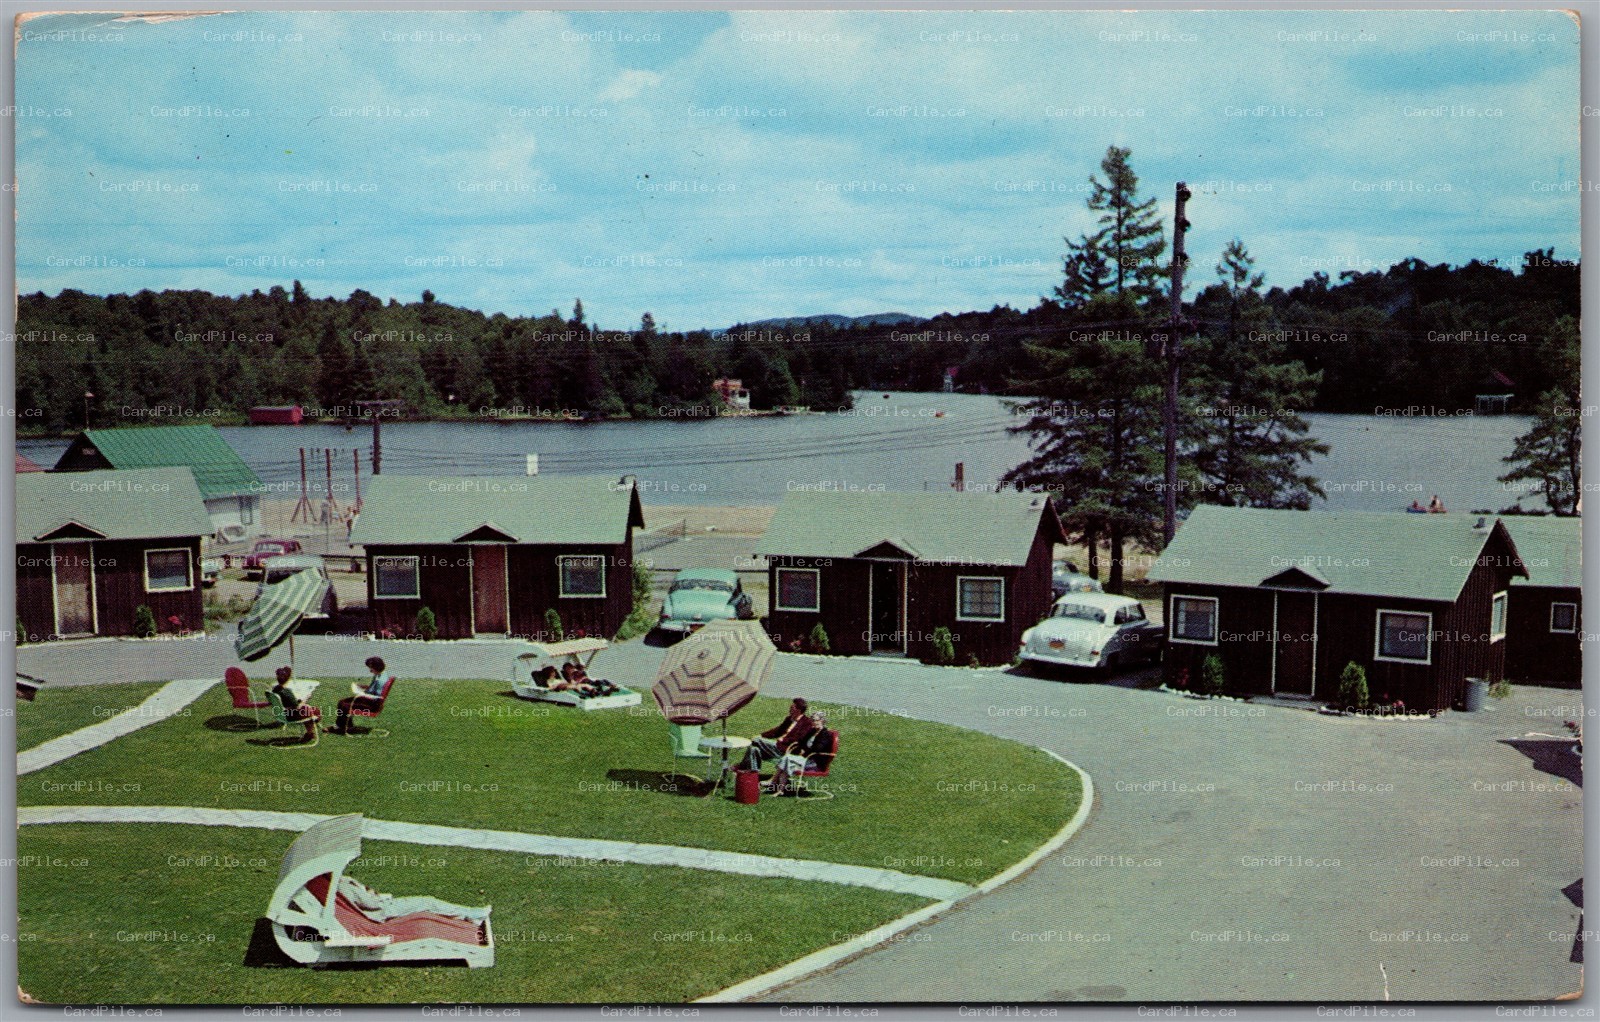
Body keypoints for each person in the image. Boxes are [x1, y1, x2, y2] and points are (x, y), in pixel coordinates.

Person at [740, 697, 815, 771]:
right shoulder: (789, 719)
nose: (790, 709)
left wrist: (783, 740)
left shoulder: (806, 723)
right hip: (778, 746)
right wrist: (761, 735)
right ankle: (753, 774)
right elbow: (776, 731)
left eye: (792, 707)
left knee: (756, 740)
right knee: (753, 749)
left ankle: (741, 766)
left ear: (798, 710)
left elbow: (799, 739)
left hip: (788, 749)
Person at [769, 713, 833, 795]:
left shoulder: (825, 734)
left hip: (815, 762)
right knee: (788, 762)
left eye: (816, 720)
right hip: (806, 758)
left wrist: (805, 751)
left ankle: (773, 781)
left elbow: (817, 748)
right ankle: (780, 790)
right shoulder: (813, 731)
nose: (814, 722)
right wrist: (802, 748)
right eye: (812, 720)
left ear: (822, 721)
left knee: (787, 759)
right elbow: (801, 741)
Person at [333, 656, 392, 734]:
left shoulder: (381, 680)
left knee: (345, 705)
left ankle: (342, 728)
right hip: (369, 700)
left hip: (372, 704)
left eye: (371, 668)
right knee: (342, 701)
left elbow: (377, 697)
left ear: (376, 667)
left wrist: (362, 694)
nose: (370, 671)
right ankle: (344, 726)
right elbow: (374, 689)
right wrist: (363, 687)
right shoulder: (380, 675)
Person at [273, 665, 321, 742]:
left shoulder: (275, 689)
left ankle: (309, 734)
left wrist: (298, 701)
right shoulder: (287, 691)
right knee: (315, 711)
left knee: (308, 710)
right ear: (288, 678)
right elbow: (297, 707)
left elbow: (290, 702)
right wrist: (306, 698)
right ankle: (309, 734)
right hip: (291, 715)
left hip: (282, 714)